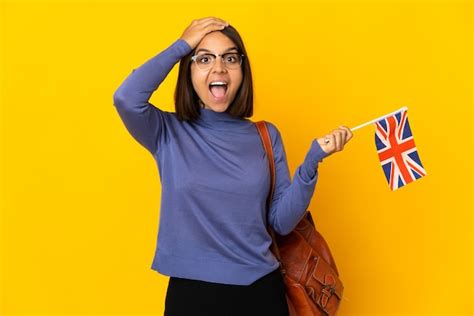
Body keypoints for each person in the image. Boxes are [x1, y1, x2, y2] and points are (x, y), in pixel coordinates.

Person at [113, 17, 353, 316]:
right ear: (188, 71)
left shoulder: (264, 135)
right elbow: (126, 98)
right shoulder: (166, 132)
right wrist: (182, 45)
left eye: (229, 58)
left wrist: (312, 163)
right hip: (191, 296)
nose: (219, 69)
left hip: (260, 294)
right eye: (203, 59)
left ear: (242, 69)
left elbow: (280, 222)